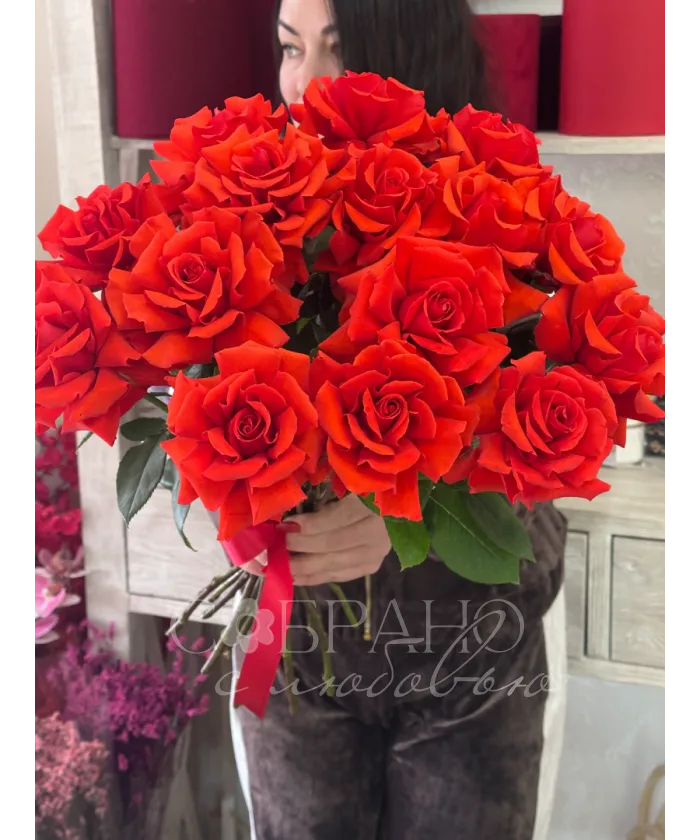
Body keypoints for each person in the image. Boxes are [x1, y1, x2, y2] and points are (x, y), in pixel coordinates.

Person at [229, 2, 569, 839]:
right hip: (302, 653)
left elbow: (538, 536)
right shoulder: (251, 220)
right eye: (289, 48)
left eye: (340, 50)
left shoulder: (511, 222)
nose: (306, 83)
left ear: (409, 55)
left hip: (469, 658)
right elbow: (203, 428)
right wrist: (238, 483)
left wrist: (404, 506)